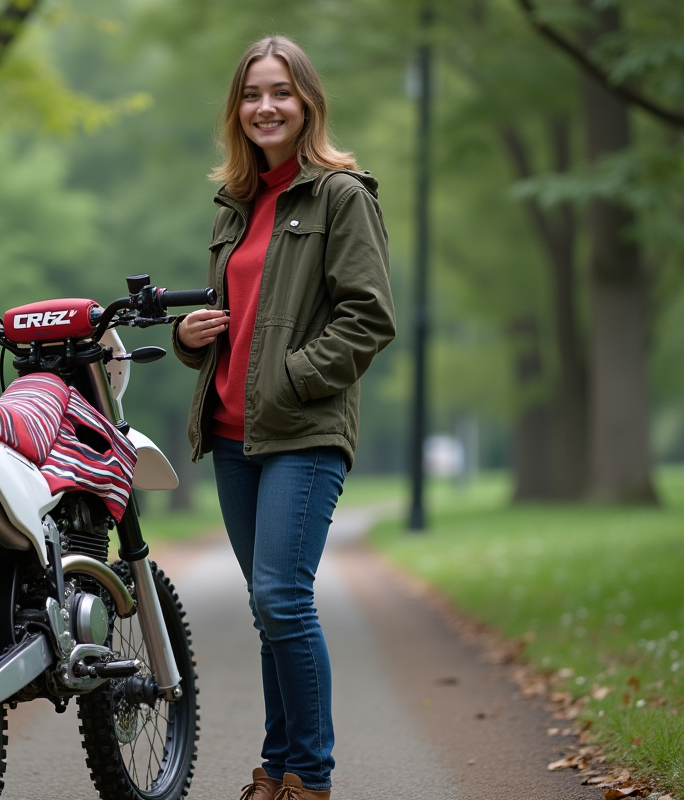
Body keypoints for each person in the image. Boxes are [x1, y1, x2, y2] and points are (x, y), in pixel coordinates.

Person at [172, 35, 396, 800]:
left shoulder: (341, 194)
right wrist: (188, 335)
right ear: (237, 111)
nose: (265, 107)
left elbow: (368, 318)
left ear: (307, 104)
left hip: (303, 429)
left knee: (281, 597)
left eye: (280, 93)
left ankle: (312, 777)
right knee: (268, 608)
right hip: (236, 435)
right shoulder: (236, 204)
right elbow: (233, 314)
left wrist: (296, 376)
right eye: (251, 94)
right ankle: (276, 769)